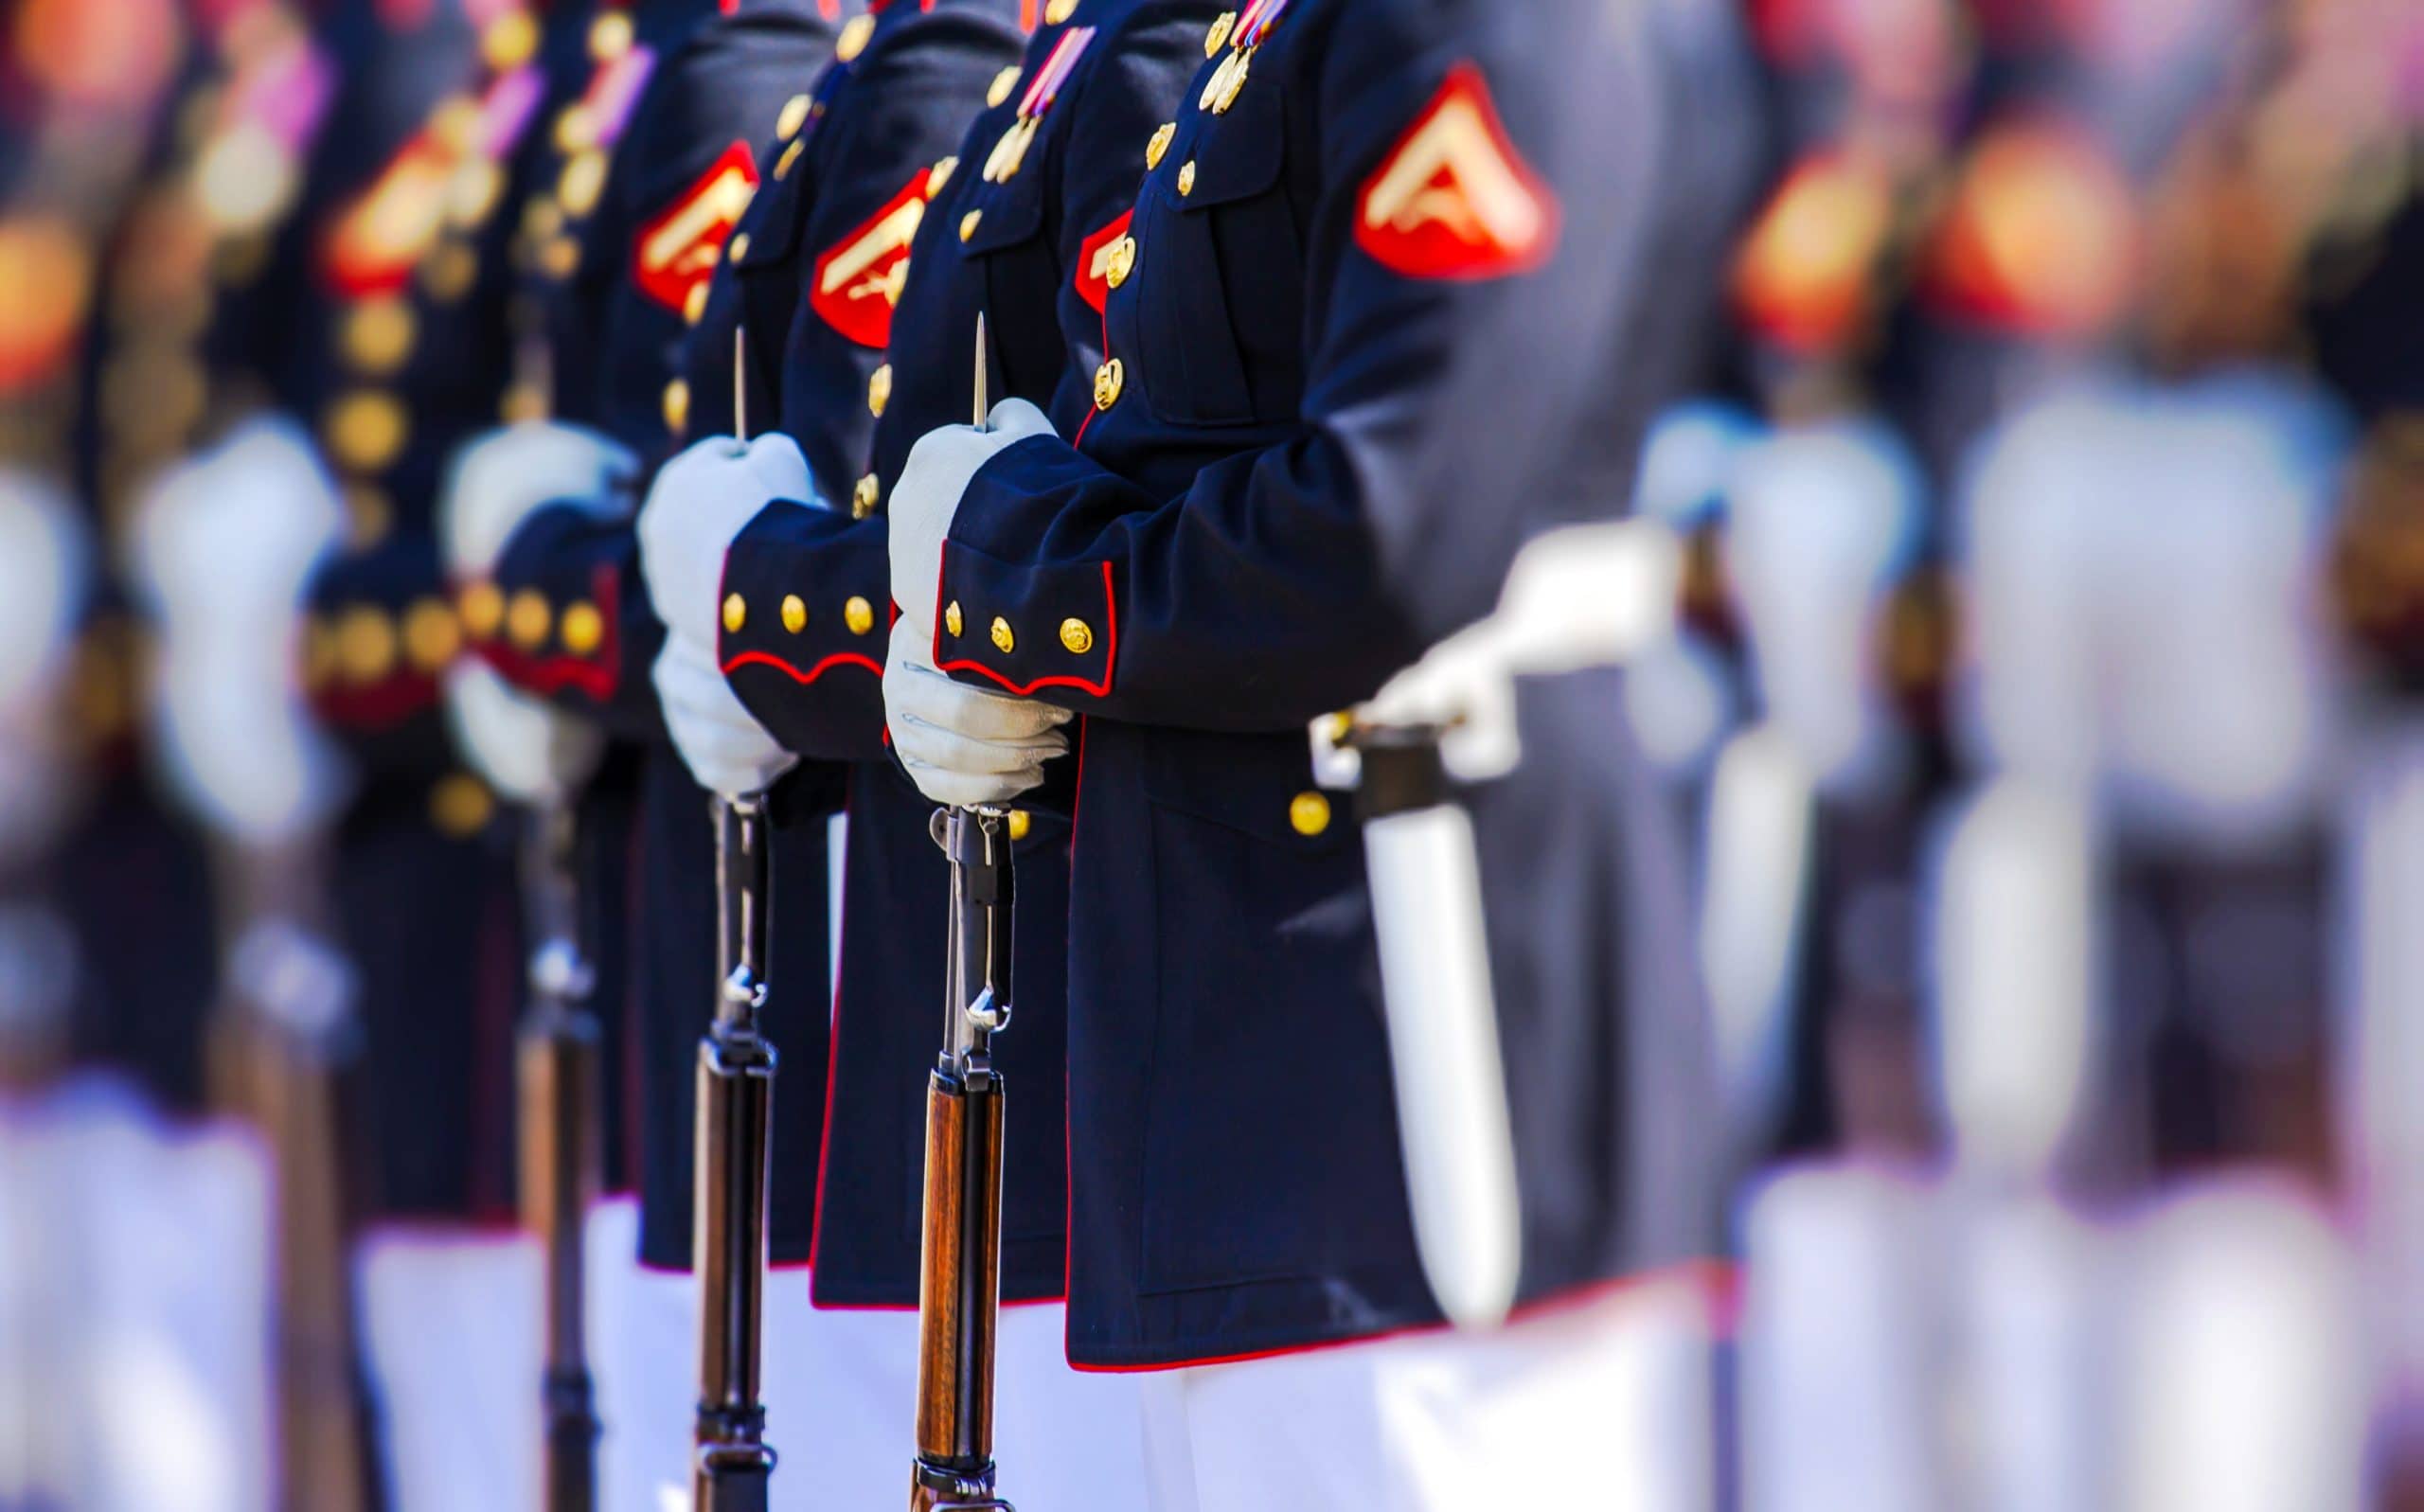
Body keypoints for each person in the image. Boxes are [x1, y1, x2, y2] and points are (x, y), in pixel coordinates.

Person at [874, 1, 1762, 1503]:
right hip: (1242, 1053)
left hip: (1420, 1018)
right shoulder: (1264, 30)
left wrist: (1010, 575)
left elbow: (1384, 529)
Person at [641, 0, 1228, 1500]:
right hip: (936, 978)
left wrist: (749, 591)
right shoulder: (1033, 59)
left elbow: (1082, 509)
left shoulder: (1118, 58)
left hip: (1032, 991)